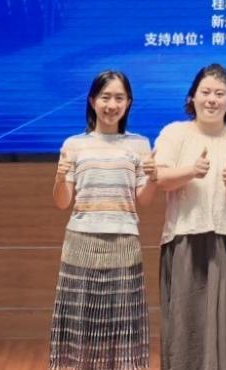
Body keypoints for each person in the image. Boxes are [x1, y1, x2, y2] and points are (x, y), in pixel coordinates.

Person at [155, 63, 226, 370]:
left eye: (219, 93)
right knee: (185, 324)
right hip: (185, 239)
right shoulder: (175, 133)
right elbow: (159, 178)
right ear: (193, 97)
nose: (212, 99)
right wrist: (191, 171)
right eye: (205, 92)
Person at [50, 69, 156, 370]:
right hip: (80, 241)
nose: (112, 105)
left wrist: (155, 179)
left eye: (119, 98)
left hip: (124, 242)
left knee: (123, 326)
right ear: (92, 101)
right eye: (105, 97)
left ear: (128, 103)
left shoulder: (140, 144)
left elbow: (144, 200)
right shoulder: (74, 144)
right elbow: (62, 202)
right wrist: (58, 178)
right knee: (78, 324)